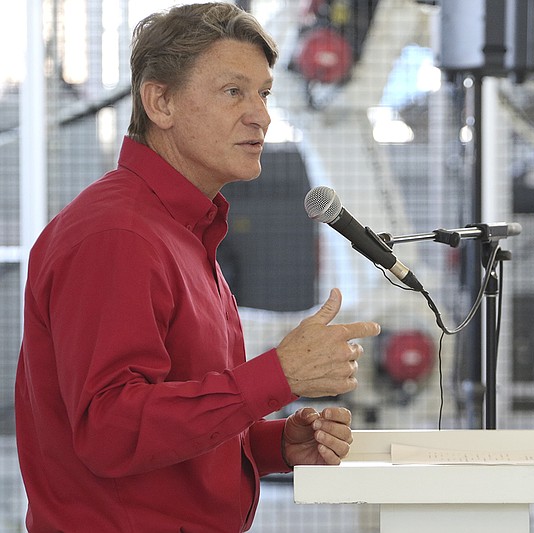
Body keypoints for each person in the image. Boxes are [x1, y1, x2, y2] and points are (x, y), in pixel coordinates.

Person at [14, 3, 381, 531]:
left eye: (264, 92)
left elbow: (171, 425)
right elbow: (111, 431)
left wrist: (275, 443)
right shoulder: (118, 237)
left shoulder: (180, 233)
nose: (261, 114)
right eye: (234, 91)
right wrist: (278, 374)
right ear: (160, 101)